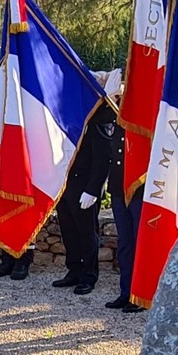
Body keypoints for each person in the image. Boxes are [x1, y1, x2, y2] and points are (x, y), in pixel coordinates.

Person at [54, 104, 117, 295]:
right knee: (68, 229)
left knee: (87, 232)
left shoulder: (96, 121)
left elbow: (103, 158)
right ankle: (74, 269)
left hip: (84, 186)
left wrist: (93, 189)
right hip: (63, 183)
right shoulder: (62, 117)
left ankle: (89, 275)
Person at [99, 70, 144, 313]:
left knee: (140, 244)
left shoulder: (143, 117)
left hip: (139, 190)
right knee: (125, 243)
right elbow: (97, 118)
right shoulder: (116, 114)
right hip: (119, 189)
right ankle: (125, 291)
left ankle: (140, 295)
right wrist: (111, 95)